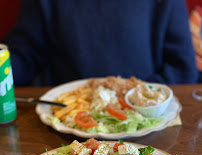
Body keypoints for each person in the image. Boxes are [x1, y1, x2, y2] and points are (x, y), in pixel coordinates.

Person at [3, 0, 198, 86]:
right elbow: (25, 54)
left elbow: (182, 68)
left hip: (147, 122)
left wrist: (135, 99)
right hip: (63, 121)